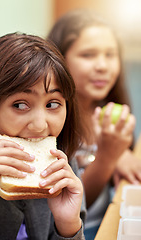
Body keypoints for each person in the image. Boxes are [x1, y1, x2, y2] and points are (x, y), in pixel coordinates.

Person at [0, 32, 87, 240]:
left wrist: (68, 223)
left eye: (52, 104)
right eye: (20, 105)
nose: (40, 126)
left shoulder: (62, 163)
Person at [47, 9, 138, 239]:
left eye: (110, 54)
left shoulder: (108, 109)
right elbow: (67, 205)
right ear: (59, 58)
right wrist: (109, 157)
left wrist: (120, 154)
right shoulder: (50, 120)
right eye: (88, 55)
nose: (102, 66)